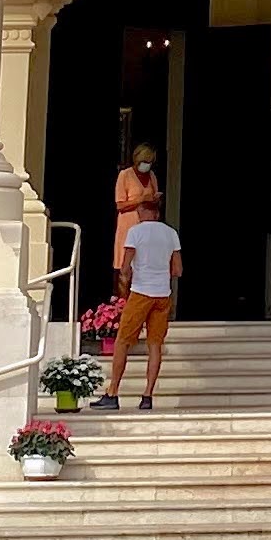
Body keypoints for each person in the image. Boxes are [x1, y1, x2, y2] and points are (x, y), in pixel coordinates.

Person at [99, 211, 181, 411]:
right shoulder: (171, 233)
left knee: (122, 341)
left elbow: (125, 267)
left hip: (141, 292)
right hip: (162, 294)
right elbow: (177, 269)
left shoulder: (135, 232)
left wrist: (125, 282)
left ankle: (113, 393)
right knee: (155, 345)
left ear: (142, 212)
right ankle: (147, 395)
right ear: (158, 213)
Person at [108, 146, 161, 298]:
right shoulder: (125, 175)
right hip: (129, 226)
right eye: (145, 161)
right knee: (125, 268)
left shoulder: (152, 176)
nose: (147, 165)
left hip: (147, 227)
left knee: (144, 268)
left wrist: (154, 201)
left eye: (150, 162)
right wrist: (140, 199)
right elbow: (120, 204)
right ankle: (123, 305)